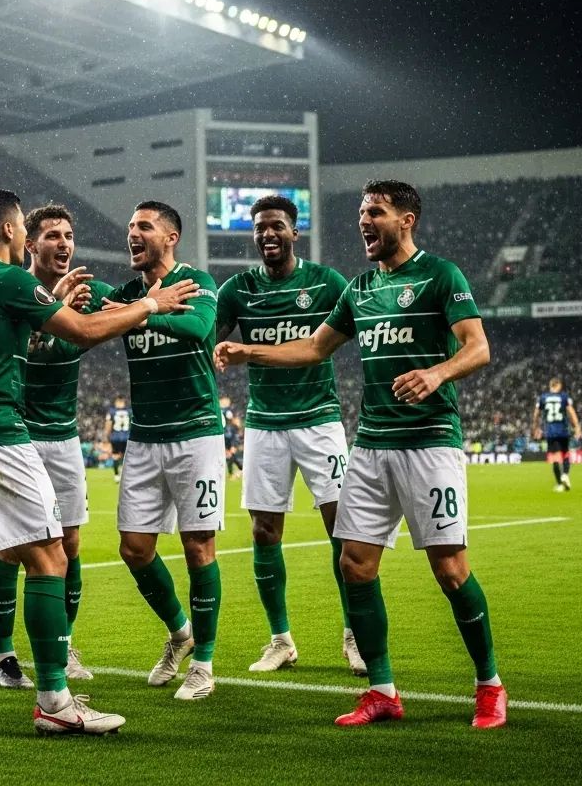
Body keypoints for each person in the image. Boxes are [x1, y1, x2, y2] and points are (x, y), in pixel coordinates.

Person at [0, 188, 198, 736]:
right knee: (50, 558)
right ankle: (56, 703)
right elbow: (82, 331)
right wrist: (151, 304)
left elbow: (0, 333)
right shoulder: (11, 279)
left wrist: (52, 300)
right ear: (12, 230)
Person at [215, 180, 507, 730]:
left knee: (449, 568)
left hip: (429, 443)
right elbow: (315, 348)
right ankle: (381, 690)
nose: (364, 222)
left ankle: (489, 684)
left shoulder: (441, 275)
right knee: (355, 563)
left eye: (375, 212)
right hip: (371, 444)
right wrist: (248, 349)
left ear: (407, 220)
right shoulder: (361, 286)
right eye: (360, 214)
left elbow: (478, 346)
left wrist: (437, 372)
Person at [215, 195, 364, 676]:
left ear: (294, 232)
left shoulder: (325, 282)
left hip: (320, 421)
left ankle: (355, 633)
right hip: (264, 423)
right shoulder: (237, 289)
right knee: (264, 530)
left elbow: (361, 331)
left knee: (341, 528)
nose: (267, 235)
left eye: (276, 226)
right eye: (260, 228)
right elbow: (205, 337)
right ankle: (280, 639)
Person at [0, 203, 113, 690]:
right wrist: (54, 302)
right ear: (29, 244)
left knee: (70, 546)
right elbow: (23, 343)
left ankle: (64, 643)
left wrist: (151, 301)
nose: (64, 243)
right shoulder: (15, 288)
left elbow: (121, 314)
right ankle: (3, 654)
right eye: (53, 235)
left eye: (69, 235)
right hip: (19, 436)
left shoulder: (88, 291)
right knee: (9, 549)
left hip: (66, 437)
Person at [105, 201, 225, 702]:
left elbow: (198, 329)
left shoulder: (198, 282)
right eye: (130, 225)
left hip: (196, 432)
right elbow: (82, 322)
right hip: (145, 435)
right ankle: (181, 633)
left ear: (171, 236)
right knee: (134, 549)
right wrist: (145, 308)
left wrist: (135, 318)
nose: (133, 233)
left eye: (144, 226)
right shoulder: (128, 293)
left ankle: (204, 663)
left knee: (198, 547)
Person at [532, 377, 582, 491]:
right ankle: (565, 474)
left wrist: (535, 428)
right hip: (563, 431)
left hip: (550, 432)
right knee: (565, 454)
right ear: (558, 385)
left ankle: (560, 483)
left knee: (554, 458)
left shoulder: (543, 398)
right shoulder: (563, 396)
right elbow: (572, 412)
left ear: (550, 385)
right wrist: (577, 428)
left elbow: (536, 415)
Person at [104, 395, 131, 483]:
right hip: (127, 436)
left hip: (115, 437)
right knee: (126, 457)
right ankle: (126, 476)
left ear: (117, 401)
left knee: (115, 456)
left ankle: (116, 476)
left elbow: (108, 425)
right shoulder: (129, 411)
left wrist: (107, 437)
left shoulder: (112, 411)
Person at [219, 395, 243, 480]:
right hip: (226, 441)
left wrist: (233, 446)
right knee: (232, 457)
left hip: (230, 440)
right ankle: (240, 469)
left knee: (231, 457)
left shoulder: (230, 426)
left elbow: (234, 436)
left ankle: (235, 472)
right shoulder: (224, 412)